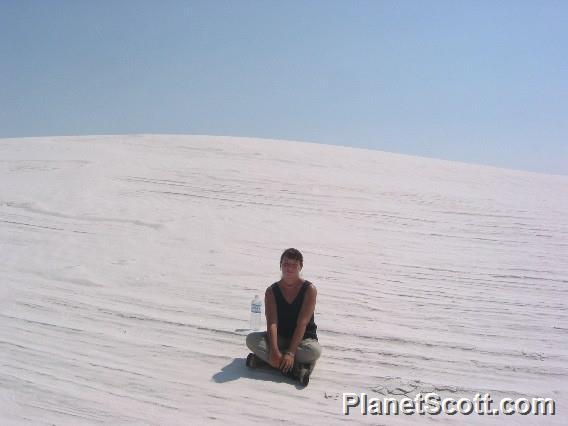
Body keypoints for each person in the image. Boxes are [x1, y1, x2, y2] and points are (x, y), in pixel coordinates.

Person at [246, 248, 322, 377]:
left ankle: (266, 362)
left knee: (314, 351)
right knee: (251, 339)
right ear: (280, 266)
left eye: (294, 265)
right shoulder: (271, 291)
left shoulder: (309, 289)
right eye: (286, 264)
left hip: (303, 339)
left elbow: (302, 324)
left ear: (300, 267)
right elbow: (272, 323)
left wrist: (291, 353)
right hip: (281, 338)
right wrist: (274, 350)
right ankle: (295, 368)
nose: (289, 268)